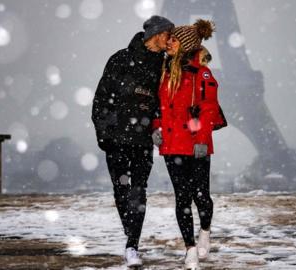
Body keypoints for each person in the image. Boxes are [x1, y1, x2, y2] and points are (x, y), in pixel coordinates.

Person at [91, 15, 173, 267]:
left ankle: (132, 245)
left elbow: (166, 102)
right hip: (117, 140)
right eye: (168, 35)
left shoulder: (166, 66)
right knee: (122, 190)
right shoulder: (120, 60)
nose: (170, 40)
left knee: (138, 192)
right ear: (157, 35)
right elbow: (101, 99)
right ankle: (131, 235)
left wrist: (157, 129)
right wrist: (105, 135)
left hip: (142, 141)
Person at [151, 19, 222, 269]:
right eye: (168, 39)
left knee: (201, 196)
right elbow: (158, 105)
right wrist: (156, 127)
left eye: (173, 39)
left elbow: (208, 108)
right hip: (172, 144)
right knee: (182, 197)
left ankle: (205, 231)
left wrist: (202, 139)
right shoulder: (165, 70)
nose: (168, 43)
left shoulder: (202, 73)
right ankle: (190, 249)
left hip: (195, 144)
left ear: (186, 44)